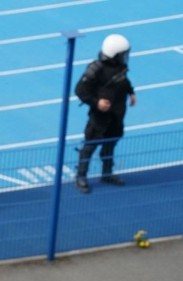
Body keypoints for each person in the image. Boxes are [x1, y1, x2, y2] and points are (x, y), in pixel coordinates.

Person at [74, 34, 136, 193]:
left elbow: (124, 81)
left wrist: (131, 92)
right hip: (100, 118)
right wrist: (97, 102)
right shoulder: (96, 69)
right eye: (122, 54)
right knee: (90, 146)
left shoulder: (120, 67)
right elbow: (81, 90)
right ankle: (81, 176)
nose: (125, 57)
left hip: (116, 115)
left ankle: (107, 173)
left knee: (110, 144)